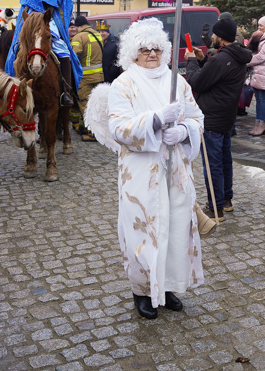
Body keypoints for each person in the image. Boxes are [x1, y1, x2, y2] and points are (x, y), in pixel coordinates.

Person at [85, 18, 205, 319]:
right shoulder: (124, 84)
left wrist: (185, 130)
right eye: (144, 49)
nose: (152, 54)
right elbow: (118, 128)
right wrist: (154, 119)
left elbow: (197, 117)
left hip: (174, 168)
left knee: (175, 226)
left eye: (156, 48)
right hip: (140, 170)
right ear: (133, 53)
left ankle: (167, 286)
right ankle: (141, 290)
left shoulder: (178, 80)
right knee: (143, 228)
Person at [185, 16, 252, 221]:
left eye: (214, 34)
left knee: (212, 163)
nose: (212, 37)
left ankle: (215, 208)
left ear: (221, 38)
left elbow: (196, 82)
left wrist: (191, 61)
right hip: (226, 116)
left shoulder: (221, 59)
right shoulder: (236, 56)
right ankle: (226, 201)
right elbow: (218, 75)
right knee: (224, 160)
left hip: (213, 117)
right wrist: (203, 60)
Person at [5, 0, 80, 107]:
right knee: (14, 52)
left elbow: (62, 16)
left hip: (51, 27)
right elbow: (24, 13)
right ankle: (11, 88)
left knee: (65, 54)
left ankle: (66, 91)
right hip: (31, 27)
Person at [70, 16, 104, 141]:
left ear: (78, 26)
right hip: (99, 75)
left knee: (85, 104)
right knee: (95, 104)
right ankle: (86, 128)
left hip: (85, 77)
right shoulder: (97, 34)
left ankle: (92, 133)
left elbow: (76, 55)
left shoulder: (79, 37)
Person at [97, 20, 121, 84]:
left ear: (108, 32)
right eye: (99, 32)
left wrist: (113, 70)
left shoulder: (115, 44)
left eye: (103, 31)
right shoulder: (98, 42)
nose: (101, 34)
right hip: (102, 76)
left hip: (112, 77)